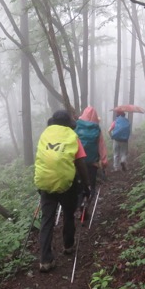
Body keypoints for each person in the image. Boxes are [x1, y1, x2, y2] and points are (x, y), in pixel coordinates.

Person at [34, 110, 91, 273]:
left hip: (45, 182)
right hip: (66, 183)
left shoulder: (45, 134)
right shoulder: (72, 136)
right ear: (68, 123)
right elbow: (80, 163)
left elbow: (41, 157)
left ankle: (45, 259)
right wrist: (87, 185)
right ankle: (68, 245)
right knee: (68, 213)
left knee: (46, 221)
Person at [75, 106, 108, 192]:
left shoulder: (77, 126)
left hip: (77, 161)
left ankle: (79, 201)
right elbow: (101, 146)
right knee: (91, 182)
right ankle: (89, 199)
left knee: (78, 184)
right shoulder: (96, 129)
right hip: (92, 162)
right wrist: (104, 162)